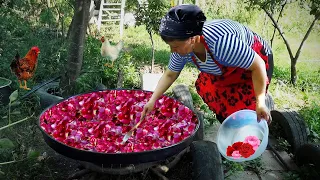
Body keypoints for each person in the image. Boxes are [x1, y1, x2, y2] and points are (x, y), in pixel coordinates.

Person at [142, 4, 274, 124]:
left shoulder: (222, 43)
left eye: (175, 46)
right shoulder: (183, 47)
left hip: (253, 66)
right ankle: (230, 130)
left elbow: (258, 66)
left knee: (249, 115)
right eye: (170, 46)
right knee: (224, 109)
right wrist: (152, 100)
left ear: (193, 39)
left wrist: (260, 103)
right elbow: (170, 74)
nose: (173, 51)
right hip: (224, 70)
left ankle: (256, 123)